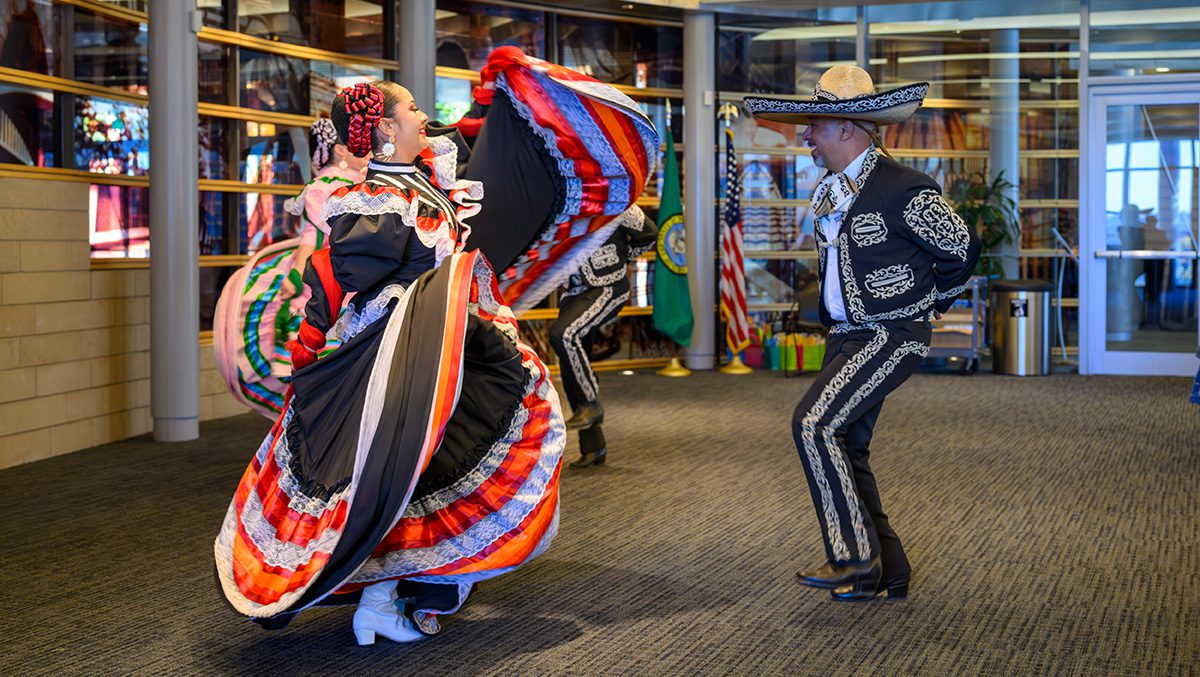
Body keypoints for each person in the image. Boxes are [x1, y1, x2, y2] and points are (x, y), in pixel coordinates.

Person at [214, 81, 565, 644]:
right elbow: (338, 274)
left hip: (443, 346)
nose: (424, 115)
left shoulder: (423, 181)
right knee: (400, 470)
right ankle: (383, 599)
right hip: (398, 352)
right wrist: (309, 343)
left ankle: (404, 594)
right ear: (383, 128)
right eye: (412, 108)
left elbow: (461, 164)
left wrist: (502, 101)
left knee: (430, 463)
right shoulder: (373, 199)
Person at [745, 66, 982, 602]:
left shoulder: (907, 189)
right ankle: (887, 570)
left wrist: (928, 301)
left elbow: (961, 252)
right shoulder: (829, 191)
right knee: (847, 443)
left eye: (817, 126)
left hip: (890, 332)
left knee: (813, 423)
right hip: (846, 336)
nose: (807, 135)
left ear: (849, 128)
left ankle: (852, 558)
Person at [211, 118, 368, 416]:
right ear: (340, 151)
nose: (365, 146)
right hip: (335, 274)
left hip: (338, 270)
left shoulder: (333, 184)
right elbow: (312, 237)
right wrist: (297, 275)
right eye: (355, 142)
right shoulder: (332, 186)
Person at [549, 206, 657, 468]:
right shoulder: (562, 204)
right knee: (572, 361)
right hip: (574, 292)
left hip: (608, 286)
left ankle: (590, 404)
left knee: (564, 335)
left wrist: (622, 258)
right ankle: (593, 445)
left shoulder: (617, 200)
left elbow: (649, 234)